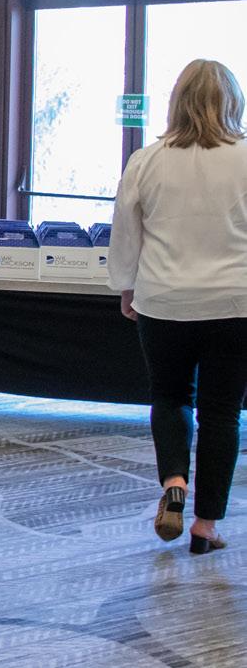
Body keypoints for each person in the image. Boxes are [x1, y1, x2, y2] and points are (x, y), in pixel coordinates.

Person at [111, 59, 247, 554]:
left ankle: (174, 482)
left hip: (163, 300)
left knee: (169, 397)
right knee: (222, 413)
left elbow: (126, 231)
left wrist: (126, 287)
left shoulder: (147, 160)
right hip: (235, 302)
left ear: (176, 102)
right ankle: (206, 526)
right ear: (233, 102)